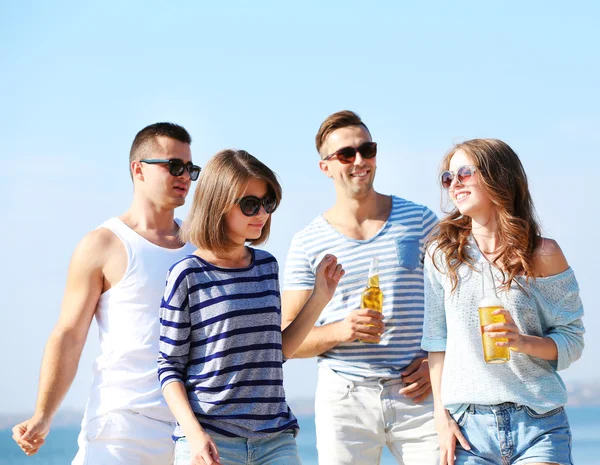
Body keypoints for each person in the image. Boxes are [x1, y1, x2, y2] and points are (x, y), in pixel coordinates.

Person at [12, 122, 200, 464]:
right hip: (120, 429)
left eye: (190, 168)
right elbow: (69, 334)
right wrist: (43, 414)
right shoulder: (103, 243)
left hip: (191, 429)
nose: (184, 175)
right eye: (174, 166)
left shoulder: (201, 245)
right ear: (138, 169)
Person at [158, 149, 344, 465]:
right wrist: (194, 435)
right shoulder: (187, 275)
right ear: (218, 205)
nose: (262, 213)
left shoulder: (267, 266)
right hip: (211, 442)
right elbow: (169, 366)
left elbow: (277, 351)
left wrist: (320, 297)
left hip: (276, 440)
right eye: (250, 204)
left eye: (267, 203)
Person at [281, 110, 439, 465]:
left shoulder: (421, 221)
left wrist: (434, 360)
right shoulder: (308, 242)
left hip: (418, 392)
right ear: (325, 167)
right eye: (346, 154)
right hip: (345, 398)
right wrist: (341, 330)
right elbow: (286, 340)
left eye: (367, 150)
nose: (360, 161)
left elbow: (459, 300)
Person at [421, 138, 585, 465]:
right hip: (468, 428)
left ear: (499, 176)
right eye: (447, 177)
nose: (454, 184)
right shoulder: (441, 255)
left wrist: (522, 341)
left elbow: (572, 340)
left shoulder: (543, 253)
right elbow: (437, 341)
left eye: (464, 173)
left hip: (539, 423)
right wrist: (441, 417)